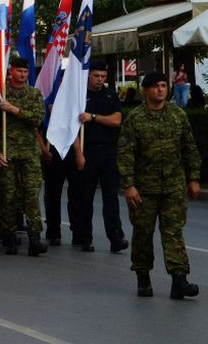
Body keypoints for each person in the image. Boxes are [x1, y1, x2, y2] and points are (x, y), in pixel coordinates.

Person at [118, 71, 202, 299]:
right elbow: (125, 154)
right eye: (155, 86)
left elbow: (189, 148)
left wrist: (193, 178)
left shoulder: (177, 115)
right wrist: (129, 186)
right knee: (143, 233)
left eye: (164, 85)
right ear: (146, 90)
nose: (161, 90)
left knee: (173, 233)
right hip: (144, 188)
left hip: (173, 186)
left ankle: (179, 279)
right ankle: (143, 277)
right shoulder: (135, 118)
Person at [0, 56, 47, 256]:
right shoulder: (0, 95)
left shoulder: (33, 94)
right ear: (11, 71)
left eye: (25, 72)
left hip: (29, 153)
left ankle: (34, 238)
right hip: (8, 152)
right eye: (19, 71)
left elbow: (37, 118)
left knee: (31, 195)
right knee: (8, 196)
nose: (23, 75)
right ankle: (10, 237)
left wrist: (13, 109)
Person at [77, 59, 128, 253]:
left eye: (103, 76)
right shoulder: (80, 96)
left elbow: (117, 120)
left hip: (108, 152)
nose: (100, 80)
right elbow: (72, 129)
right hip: (87, 151)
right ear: (88, 75)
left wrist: (94, 117)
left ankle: (116, 236)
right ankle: (85, 237)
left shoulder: (110, 95)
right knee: (85, 197)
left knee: (111, 197)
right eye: (96, 76)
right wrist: (78, 153)